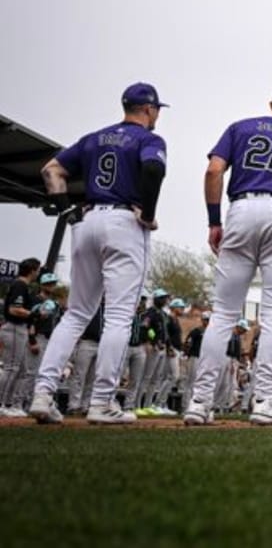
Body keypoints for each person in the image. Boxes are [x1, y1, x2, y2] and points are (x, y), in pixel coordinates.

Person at [185, 82, 272, 426]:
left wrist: (214, 221)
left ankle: (200, 402)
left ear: (271, 104)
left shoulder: (240, 127)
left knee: (222, 315)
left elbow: (213, 171)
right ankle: (264, 402)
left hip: (242, 207)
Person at [29, 83, 168, 425]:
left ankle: (43, 395)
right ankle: (102, 401)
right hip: (123, 221)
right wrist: (148, 214)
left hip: (87, 220)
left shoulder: (93, 138)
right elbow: (152, 169)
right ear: (148, 110)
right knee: (120, 316)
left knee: (76, 314)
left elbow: (51, 170)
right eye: (157, 110)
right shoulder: (149, 139)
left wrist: (66, 213)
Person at [0, 258, 41, 417]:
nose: (38, 273)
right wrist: (33, 313)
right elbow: (14, 309)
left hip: (20, 329)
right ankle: (2, 404)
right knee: (11, 368)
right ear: (31, 270)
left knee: (22, 370)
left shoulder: (23, 286)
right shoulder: (20, 285)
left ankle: (10, 404)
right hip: (14, 328)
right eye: (37, 270)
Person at [19, 273, 64, 410]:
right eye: (48, 284)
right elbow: (30, 321)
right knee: (31, 373)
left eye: (53, 283)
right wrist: (32, 340)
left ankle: (33, 403)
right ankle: (21, 404)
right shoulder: (35, 300)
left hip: (49, 340)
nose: (51, 286)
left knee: (41, 373)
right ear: (42, 285)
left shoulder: (54, 303)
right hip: (37, 337)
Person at [67, 303, 105, 414]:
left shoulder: (107, 307)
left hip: (101, 343)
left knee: (92, 377)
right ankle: (73, 405)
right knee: (79, 374)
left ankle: (85, 405)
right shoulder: (90, 304)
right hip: (86, 341)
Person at [180, 312, 207, 408]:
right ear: (202, 320)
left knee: (199, 382)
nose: (207, 322)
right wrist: (186, 353)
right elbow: (188, 343)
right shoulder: (196, 331)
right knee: (190, 381)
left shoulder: (211, 333)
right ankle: (185, 405)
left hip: (204, 359)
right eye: (206, 320)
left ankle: (194, 404)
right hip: (194, 356)